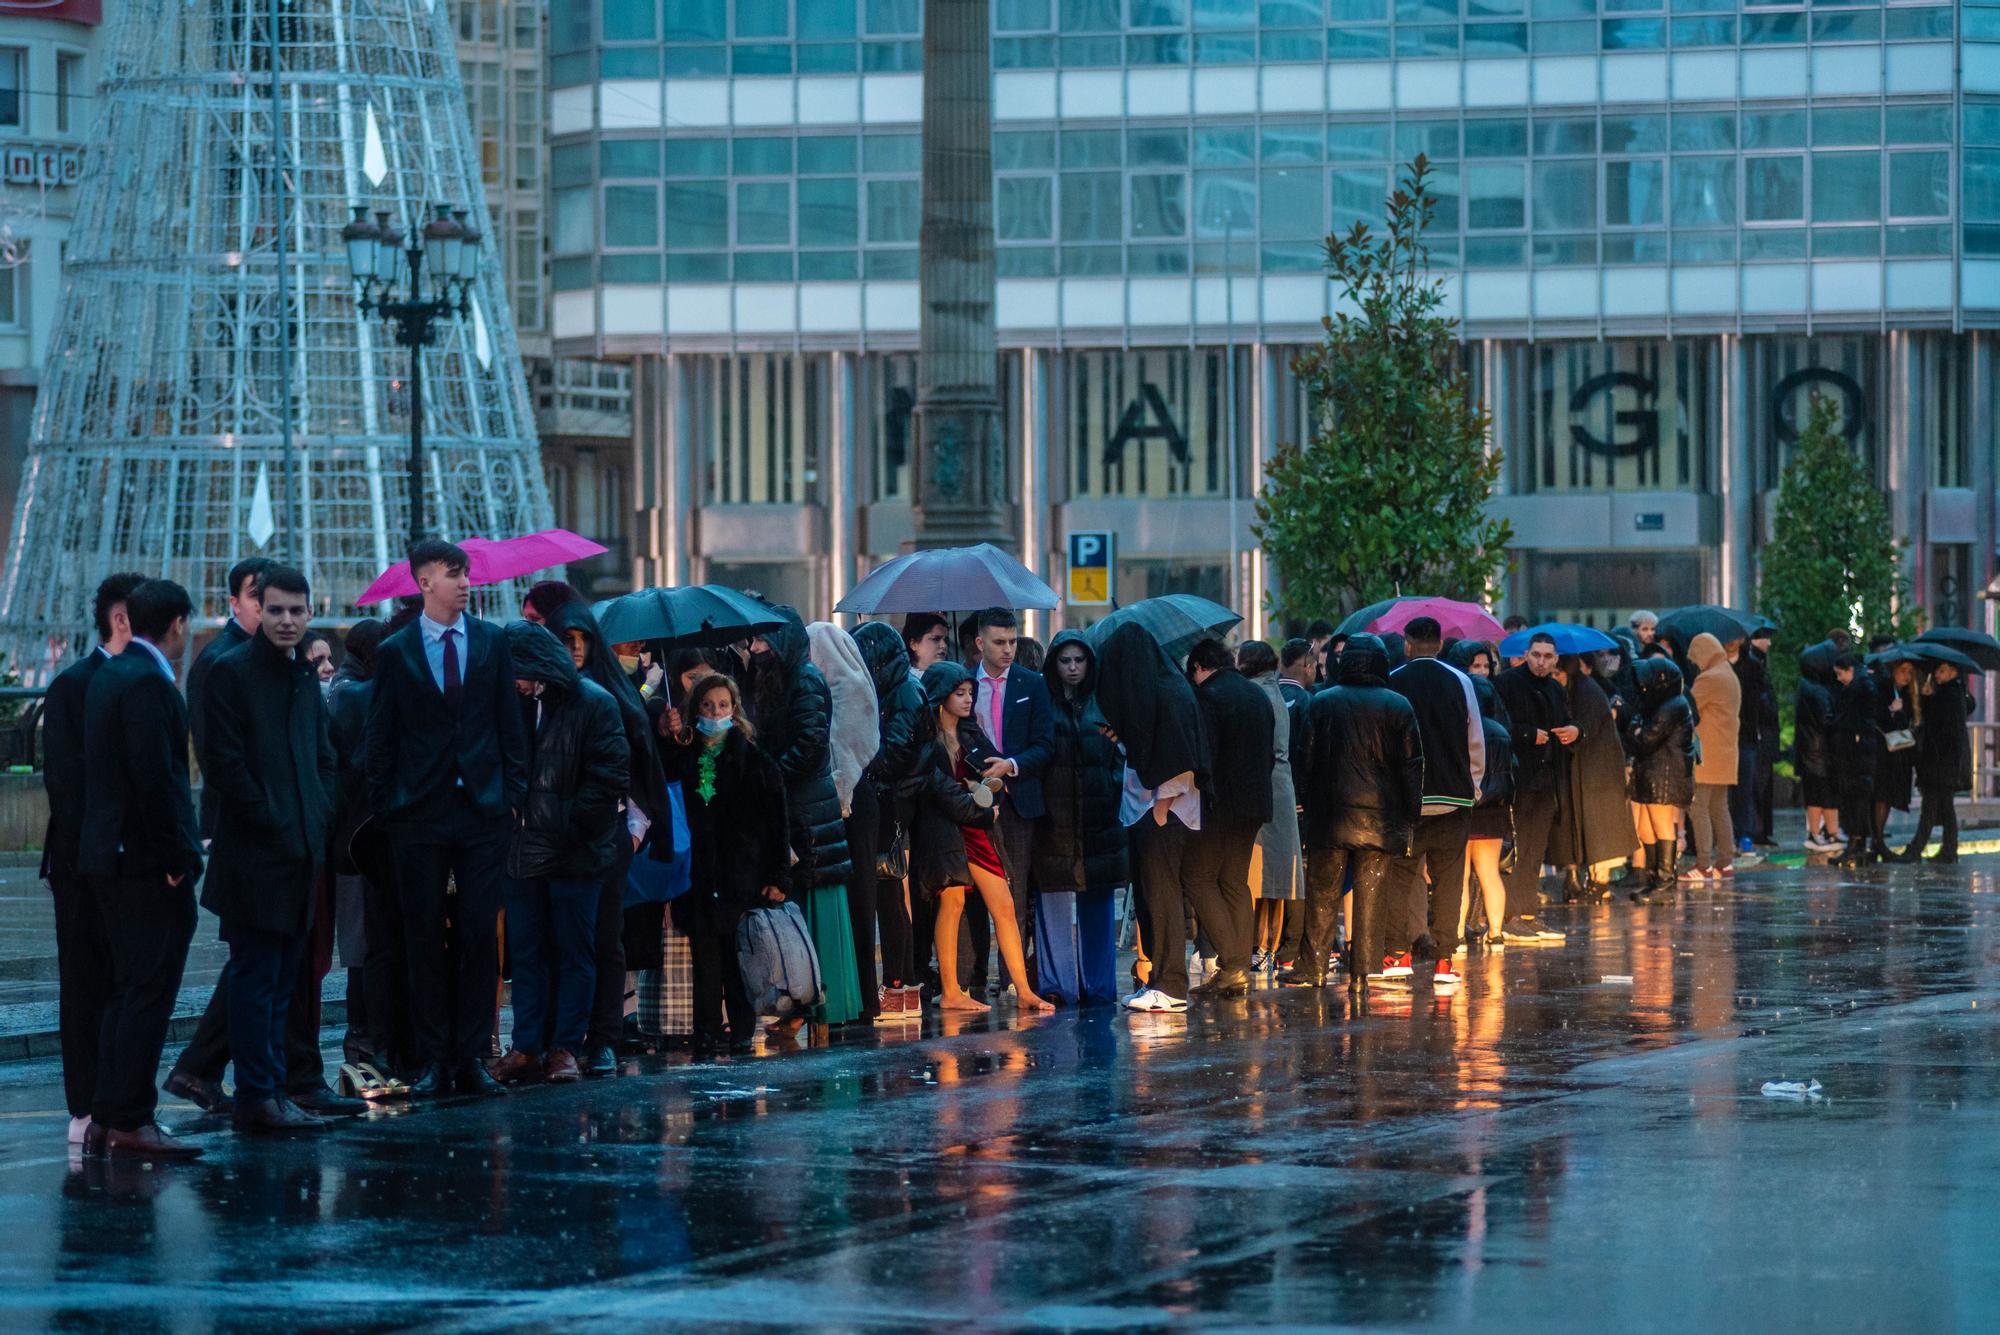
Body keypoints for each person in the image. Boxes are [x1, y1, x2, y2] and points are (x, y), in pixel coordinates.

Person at [365, 539, 529, 1097]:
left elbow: (510, 724)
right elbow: (380, 737)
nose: (464, 582)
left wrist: (514, 794)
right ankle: (434, 1058)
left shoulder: (491, 642)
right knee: (423, 936)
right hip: (419, 814)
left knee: (481, 935)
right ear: (423, 582)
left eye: (466, 573)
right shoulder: (397, 652)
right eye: (452, 574)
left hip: (484, 811)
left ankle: (472, 1056)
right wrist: (391, 802)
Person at [197, 565, 341, 1134]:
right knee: (257, 979)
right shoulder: (229, 672)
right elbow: (224, 766)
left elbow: (322, 755)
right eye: (275, 609)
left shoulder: (302, 675)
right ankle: (258, 1094)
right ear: (257, 608)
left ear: (310, 613)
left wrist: (318, 813)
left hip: (302, 851)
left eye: (296, 611)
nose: (286, 620)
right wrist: (276, 822)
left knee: (284, 980)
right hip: (256, 858)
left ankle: (274, 1090)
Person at [78, 579, 206, 1160]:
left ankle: (110, 1112)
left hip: (110, 856)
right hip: (146, 866)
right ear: (178, 624)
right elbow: (158, 783)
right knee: (148, 992)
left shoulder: (109, 674)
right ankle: (132, 1117)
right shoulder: (151, 684)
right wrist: (179, 858)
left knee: (124, 990)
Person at [489, 622, 628, 1085]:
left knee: (575, 953)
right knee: (527, 955)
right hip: (524, 851)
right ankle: (528, 1044)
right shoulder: (513, 705)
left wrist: (567, 823)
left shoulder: (594, 703)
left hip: (575, 853)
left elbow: (608, 776)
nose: (516, 683)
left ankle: (566, 1047)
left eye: (520, 674)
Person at [159, 555, 271, 1115]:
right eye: (260, 599)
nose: (271, 611)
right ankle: (202, 1069)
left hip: (252, 827)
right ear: (235, 603)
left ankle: (202, 1069)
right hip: (239, 830)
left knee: (260, 955)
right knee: (255, 954)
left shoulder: (257, 657)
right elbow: (219, 755)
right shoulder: (224, 661)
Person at [41, 571, 146, 1146]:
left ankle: (120, 1100)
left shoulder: (149, 679)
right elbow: (67, 784)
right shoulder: (74, 686)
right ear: (120, 619)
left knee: (130, 985)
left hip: (135, 866)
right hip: (85, 867)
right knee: (85, 985)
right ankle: (85, 1105)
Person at [550, 601, 668, 1074]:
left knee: (605, 939)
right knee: (563, 942)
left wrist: (636, 830)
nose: (576, 650)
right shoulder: (545, 694)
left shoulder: (616, 693)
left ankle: (602, 1038)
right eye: (567, 640)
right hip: (554, 836)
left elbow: (638, 766)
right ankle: (561, 1039)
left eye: (583, 640)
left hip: (611, 833)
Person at [743, 606, 860, 1027]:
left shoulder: (804, 679)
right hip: (797, 806)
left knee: (816, 898)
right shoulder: (778, 679)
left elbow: (809, 742)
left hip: (808, 810)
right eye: (753, 641)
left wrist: (770, 775)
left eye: (762, 641)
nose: (755, 649)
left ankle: (820, 1000)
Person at [661, 674, 789, 1052]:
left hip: (741, 875)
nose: (715, 712)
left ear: (734, 710)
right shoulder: (685, 758)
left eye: (722, 705)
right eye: (707, 705)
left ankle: (743, 1028)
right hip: (697, 874)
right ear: (695, 710)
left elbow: (776, 821)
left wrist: (777, 874)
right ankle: (706, 1029)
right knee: (704, 957)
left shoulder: (754, 760)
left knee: (739, 957)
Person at [1287, 634, 1423, 988]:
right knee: (1371, 895)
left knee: (1322, 893)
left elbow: (1305, 755)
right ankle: (1362, 972)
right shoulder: (1399, 705)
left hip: (1329, 816)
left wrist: (1304, 798)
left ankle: (1314, 967)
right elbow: (1411, 765)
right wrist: (1411, 811)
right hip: (1380, 818)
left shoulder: (1323, 702)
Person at [920, 663, 1053, 1013]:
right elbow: (937, 788)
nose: (968, 700)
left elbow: (990, 773)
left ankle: (1023, 989)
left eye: (970, 693)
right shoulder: (926, 739)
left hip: (978, 831)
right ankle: (951, 991)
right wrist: (976, 803)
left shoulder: (971, 733)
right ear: (942, 696)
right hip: (946, 830)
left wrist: (993, 781)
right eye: (959, 693)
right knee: (952, 904)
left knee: (1005, 906)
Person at [1095, 623, 1209, 1013]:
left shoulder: (1169, 693)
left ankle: (1171, 984)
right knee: (1149, 896)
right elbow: (1149, 743)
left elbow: (1181, 756)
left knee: (1161, 896)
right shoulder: (1161, 689)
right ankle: (1158, 981)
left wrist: (1161, 807)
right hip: (1149, 810)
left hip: (1164, 813)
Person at [961, 608, 1054, 995]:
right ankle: (970, 982)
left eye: (1013, 641)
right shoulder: (964, 683)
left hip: (1018, 802)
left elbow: (1046, 745)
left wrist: (1011, 765)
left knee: (1014, 894)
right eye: (999, 642)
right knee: (970, 897)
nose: (1008, 650)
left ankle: (1013, 980)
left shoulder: (1032, 683)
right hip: (972, 801)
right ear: (980, 643)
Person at [327, 618, 405, 1077]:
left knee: (359, 941)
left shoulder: (342, 688)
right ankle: (363, 1032)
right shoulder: (358, 695)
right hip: (361, 839)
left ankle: (362, 1032)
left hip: (350, 837)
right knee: (362, 941)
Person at [1385, 617, 1483, 981]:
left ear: (1407, 644)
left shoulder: (1394, 680)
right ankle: (1444, 960)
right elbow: (1475, 735)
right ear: (1440, 645)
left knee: (1401, 877)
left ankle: (1397, 955)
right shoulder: (1461, 681)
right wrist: (1472, 785)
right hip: (1454, 795)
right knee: (1449, 879)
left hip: (1408, 799)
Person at [1034, 632, 1128, 1006]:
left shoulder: (1104, 703)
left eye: (1079, 660)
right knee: (1053, 901)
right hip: (1054, 819)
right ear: (1054, 664)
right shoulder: (1043, 703)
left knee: (1098, 903)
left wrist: (1111, 782)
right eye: (1065, 660)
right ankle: (1057, 986)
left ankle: (1100, 987)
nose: (1072, 668)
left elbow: (1123, 758)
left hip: (1099, 817)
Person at [1180, 639, 1276, 998]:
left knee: (1198, 877)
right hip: (1254, 803)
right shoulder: (1257, 695)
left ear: (1200, 667)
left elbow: (1205, 754)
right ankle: (1236, 966)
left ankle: (1233, 964)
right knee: (1235, 881)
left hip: (1219, 803)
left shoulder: (1208, 697)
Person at [807, 621, 883, 1024]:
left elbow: (851, 742)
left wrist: (839, 790)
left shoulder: (847, 689)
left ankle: (863, 999)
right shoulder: (842, 686)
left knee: (860, 901)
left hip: (852, 802)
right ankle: (854, 996)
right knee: (850, 902)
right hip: (844, 800)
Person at [853, 621, 927, 1015]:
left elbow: (896, 753)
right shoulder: (899, 689)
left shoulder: (903, 693)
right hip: (894, 798)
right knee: (890, 889)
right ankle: (901, 983)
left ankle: (897, 984)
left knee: (888, 889)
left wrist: (865, 762)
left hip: (892, 801)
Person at [1493, 634, 1576, 938]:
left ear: (1555, 659)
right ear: (1526, 654)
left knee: (1534, 851)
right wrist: (1527, 735)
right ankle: (1512, 915)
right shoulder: (1507, 684)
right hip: (1518, 779)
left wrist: (1573, 731)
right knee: (1518, 849)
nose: (1541, 662)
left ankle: (1527, 913)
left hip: (1547, 779)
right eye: (1536, 655)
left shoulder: (1555, 688)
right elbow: (1498, 726)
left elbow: (1568, 720)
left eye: (1547, 656)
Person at [1237, 640, 1302, 974]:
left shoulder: (1252, 694)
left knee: (1254, 876)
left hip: (1260, 787)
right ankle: (1265, 948)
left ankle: (1254, 948)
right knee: (1275, 879)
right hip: (1280, 787)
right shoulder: (1273, 690)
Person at [1550, 653, 1633, 901]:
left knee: (1600, 828)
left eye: (1558, 673)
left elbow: (1585, 729)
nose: (1555, 678)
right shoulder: (1579, 691)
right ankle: (1587, 881)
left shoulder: (1587, 693)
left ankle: (1600, 884)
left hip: (1598, 774)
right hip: (1589, 771)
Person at [1621, 658, 1695, 902]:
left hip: (1664, 774)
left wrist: (1638, 732)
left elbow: (1645, 739)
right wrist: (1638, 731)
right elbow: (1637, 731)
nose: (1643, 688)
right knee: (1649, 828)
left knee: (1661, 825)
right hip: (1654, 771)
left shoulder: (1672, 706)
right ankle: (1655, 879)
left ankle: (1664, 883)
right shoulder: (1663, 704)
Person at [1897, 661, 1973, 863]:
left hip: (1939, 761)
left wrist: (1927, 699)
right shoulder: (1955, 691)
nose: (1937, 675)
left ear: (1953, 671)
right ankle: (1948, 849)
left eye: (1941, 671)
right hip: (1945, 762)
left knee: (1931, 806)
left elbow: (1938, 724)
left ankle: (1918, 849)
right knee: (1944, 806)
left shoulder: (1949, 694)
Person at [1684, 632, 1740, 882]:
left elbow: (1689, 708)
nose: (1695, 663)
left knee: (1699, 808)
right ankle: (1724, 862)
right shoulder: (1728, 673)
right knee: (1720, 807)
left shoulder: (1709, 678)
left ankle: (1703, 864)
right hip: (1726, 753)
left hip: (1707, 754)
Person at [1463, 677, 1515, 947]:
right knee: (1489, 873)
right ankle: (1496, 933)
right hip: (1494, 812)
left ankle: (1457, 935)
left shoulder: (1463, 728)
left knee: (1459, 877)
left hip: (1465, 809)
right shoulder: (1501, 731)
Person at [1795, 642, 1843, 852]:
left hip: (1813, 750)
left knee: (1820, 794)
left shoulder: (1808, 686)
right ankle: (1819, 833)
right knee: (1821, 794)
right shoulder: (1819, 691)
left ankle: (1828, 833)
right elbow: (1827, 720)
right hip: (1820, 751)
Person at [1873, 658, 1919, 861]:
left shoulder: (1909, 695)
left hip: (1898, 754)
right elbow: (1877, 717)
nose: (1907, 676)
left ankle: (1878, 840)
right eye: (1903, 671)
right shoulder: (1883, 690)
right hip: (1883, 753)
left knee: (1887, 796)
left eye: (1910, 672)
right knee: (1881, 796)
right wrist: (1893, 710)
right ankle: (1877, 841)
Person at [1748, 627, 1782, 848]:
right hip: (1761, 735)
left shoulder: (1757, 663)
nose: (1768, 643)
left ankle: (1759, 830)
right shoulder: (1755, 666)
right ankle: (1758, 830)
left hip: (1763, 735)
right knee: (1759, 785)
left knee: (1761, 784)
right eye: (1765, 638)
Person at [901, 613, 950, 678]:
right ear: (914, 644)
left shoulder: (953, 679)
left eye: (946, 640)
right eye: (935, 639)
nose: (944, 645)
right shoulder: (901, 680)